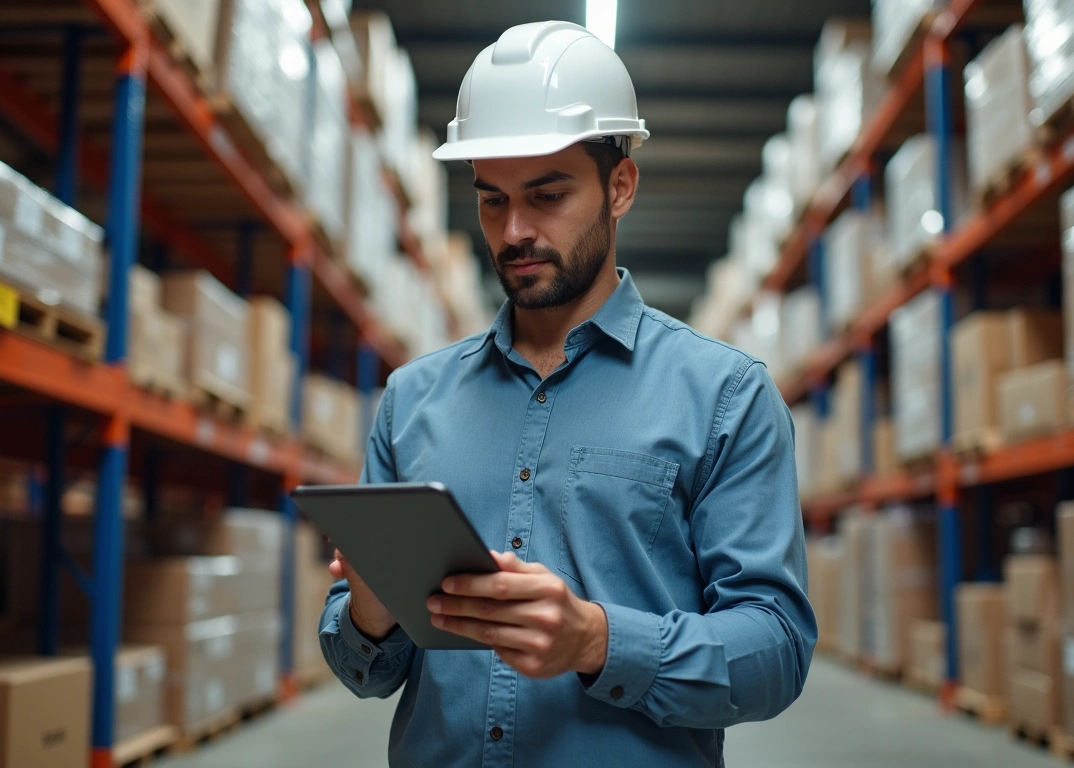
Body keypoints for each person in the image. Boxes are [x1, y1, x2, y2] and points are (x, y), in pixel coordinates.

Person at [319, 20, 815, 768]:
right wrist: (371, 609)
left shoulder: (724, 396)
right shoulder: (412, 400)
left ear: (621, 186)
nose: (515, 230)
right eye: (492, 201)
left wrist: (598, 641)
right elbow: (366, 670)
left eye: (547, 195)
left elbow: (775, 648)